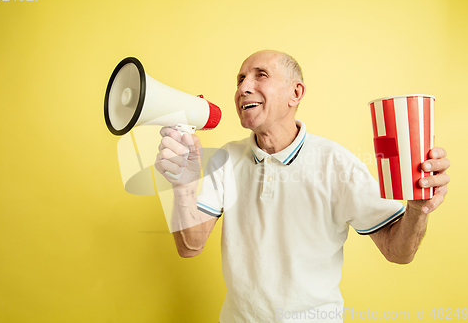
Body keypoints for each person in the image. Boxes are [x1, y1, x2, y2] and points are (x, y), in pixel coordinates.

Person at [155, 50, 450, 322]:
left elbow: (399, 252)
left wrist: (416, 209)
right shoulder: (225, 159)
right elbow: (190, 246)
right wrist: (183, 186)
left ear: (295, 93)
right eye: (240, 79)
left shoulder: (338, 164)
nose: (243, 87)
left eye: (260, 75)